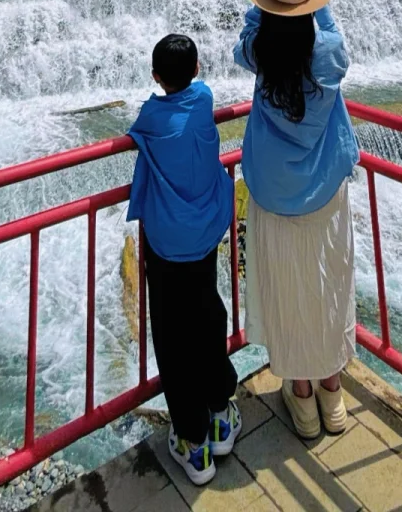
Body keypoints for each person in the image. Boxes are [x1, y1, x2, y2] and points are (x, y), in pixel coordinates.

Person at [235, 0, 360, 440]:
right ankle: (333, 395)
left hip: (272, 190)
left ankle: (302, 400)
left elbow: (248, 36)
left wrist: (265, 4)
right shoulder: (328, 52)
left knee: (287, 289)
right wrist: (312, 3)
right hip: (324, 188)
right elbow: (330, 31)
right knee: (328, 283)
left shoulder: (259, 50)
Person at [127, 33, 241, 486]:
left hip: (167, 242)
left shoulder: (152, 117)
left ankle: (193, 444)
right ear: (197, 70)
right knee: (208, 315)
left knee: (173, 336)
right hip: (205, 231)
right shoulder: (204, 98)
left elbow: (139, 129)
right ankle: (220, 414)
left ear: (155, 76)